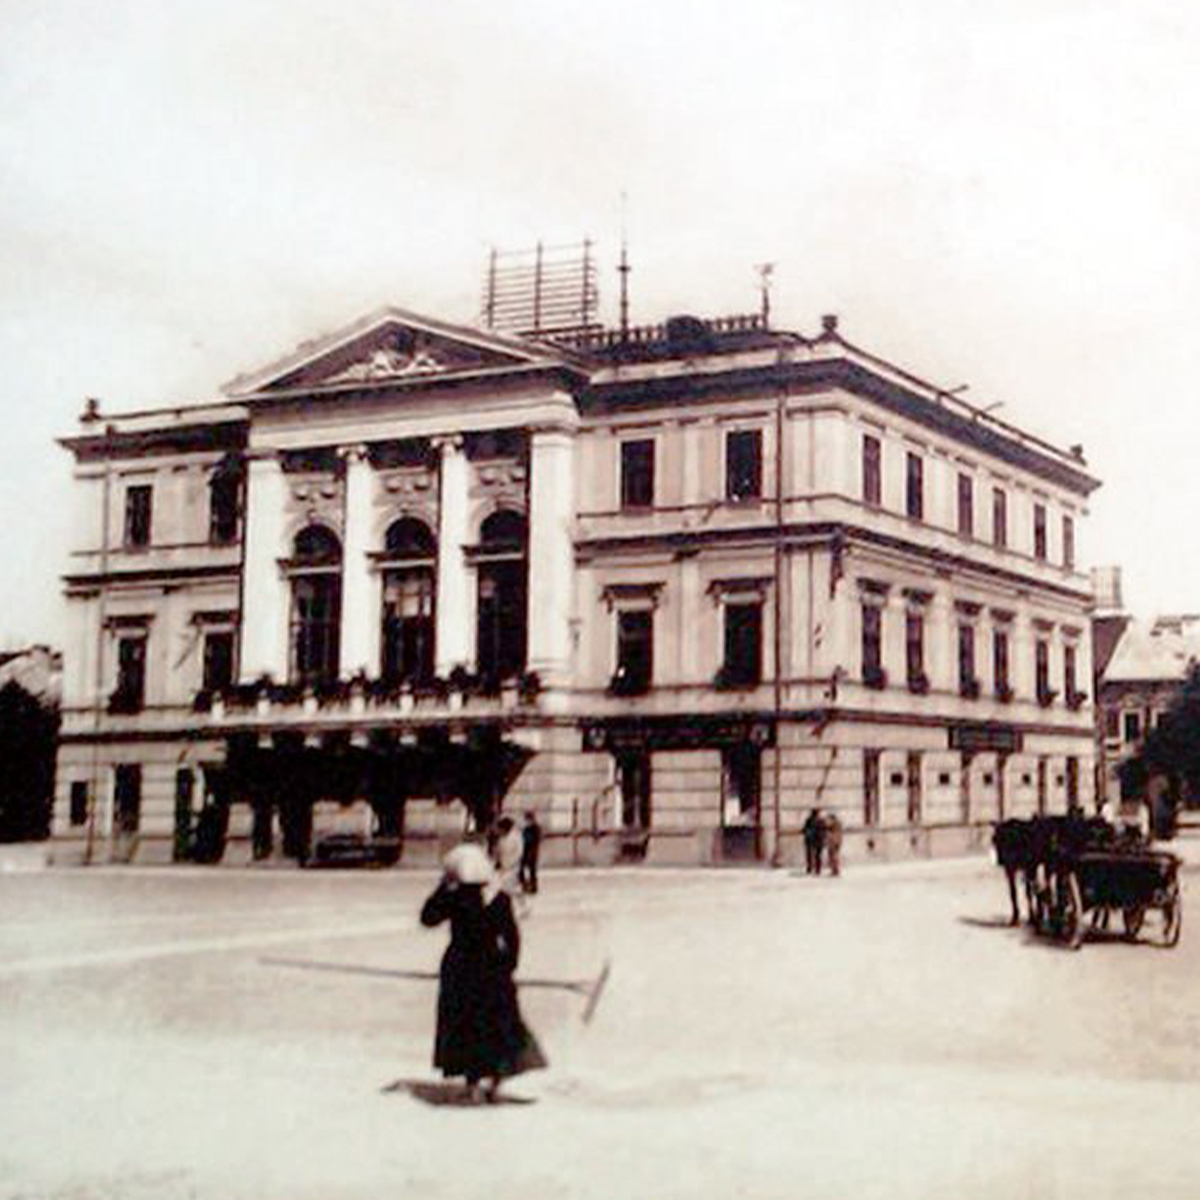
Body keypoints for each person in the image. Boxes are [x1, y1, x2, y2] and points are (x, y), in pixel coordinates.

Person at [419, 841, 546, 1103]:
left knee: (466, 1026)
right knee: (497, 1023)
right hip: (493, 968)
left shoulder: (455, 896)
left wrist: (442, 888)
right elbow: (511, 936)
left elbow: (427, 918)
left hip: (462, 969)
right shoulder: (498, 897)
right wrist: (508, 966)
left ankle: (473, 1083)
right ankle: (496, 1080)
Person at [519, 810, 542, 895]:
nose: (527, 821)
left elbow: (536, 841)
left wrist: (531, 853)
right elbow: (523, 840)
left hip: (532, 852)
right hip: (525, 851)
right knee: (521, 870)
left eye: (528, 819)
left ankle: (533, 887)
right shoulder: (526, 829)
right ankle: (525, 885)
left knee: (532, 871)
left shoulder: (536, 828)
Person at [803, 808, 825, 875]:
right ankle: (815, 869)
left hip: (815, 840)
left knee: (814, 855)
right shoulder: (817, 820)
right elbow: (805, 829)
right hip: (814, 840)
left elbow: (805, 829)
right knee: (815, 855)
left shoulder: (811, 820)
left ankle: (814, 869)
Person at [822, 810, 843, 877]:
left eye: (829, 818)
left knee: (833, 856)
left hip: (833, 842)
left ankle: (835, 870)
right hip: (838, 841)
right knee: (835, 856)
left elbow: (827, 826)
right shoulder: (839, 823)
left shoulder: (834, 823)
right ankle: (835, 870)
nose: (828, 819)